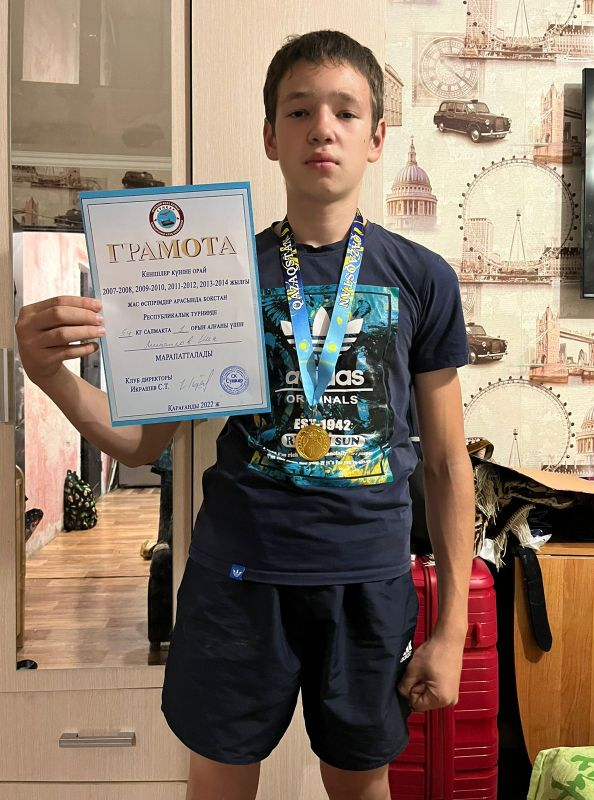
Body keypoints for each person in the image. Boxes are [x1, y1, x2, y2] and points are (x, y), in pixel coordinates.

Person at [15, 30, 475, 800]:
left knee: (360, 784)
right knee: (220, 782)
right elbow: (139, 443)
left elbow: (447, 462)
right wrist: (46, 373)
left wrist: (452, 627)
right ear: (270, 136)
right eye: (299, 111)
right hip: (237, 580)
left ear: (376, 139)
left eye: (345, 112)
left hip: (368, 581)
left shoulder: (423, 278)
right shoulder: (215, 274)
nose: (322, 128)